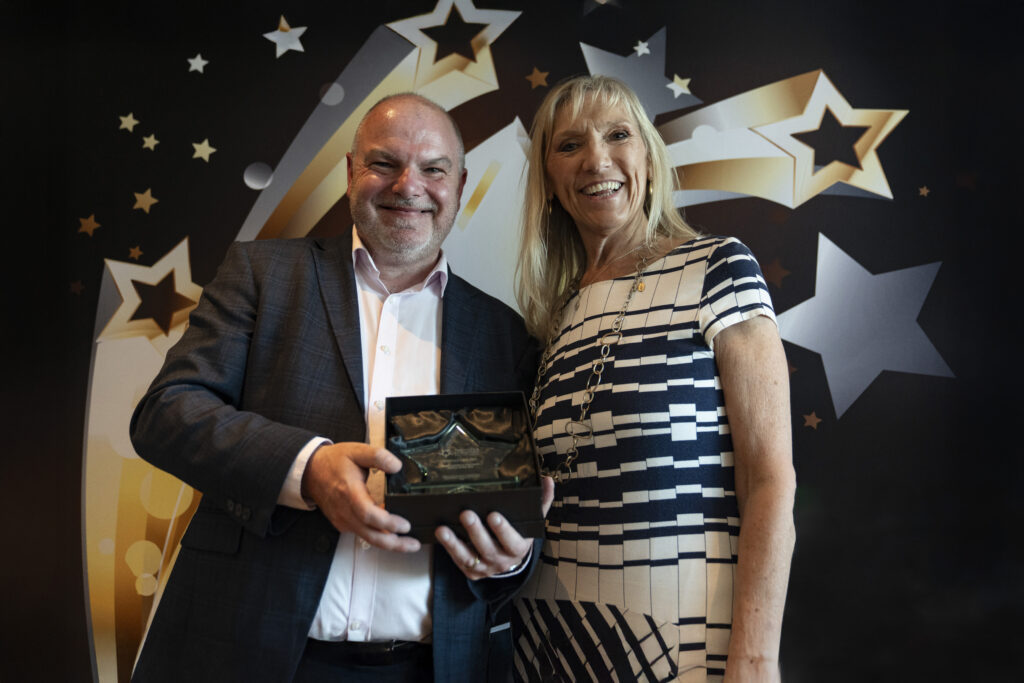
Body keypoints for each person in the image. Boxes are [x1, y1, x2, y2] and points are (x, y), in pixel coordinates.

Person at [129, 93, 552, 683]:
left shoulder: (505, 335)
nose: (409, 186)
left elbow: (515, 521)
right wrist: (308, 468)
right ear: (352, 172)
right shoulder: (263, 273)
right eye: (385, 163)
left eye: (433, 169)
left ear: (459, 183)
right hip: (247, 654)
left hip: (433, 669)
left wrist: (512, 559)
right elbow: (166, 413)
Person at [512, 75, 796, 682]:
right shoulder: (553, 315)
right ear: (550, 180)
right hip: (548, 643)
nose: (596, 159)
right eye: (569, 146)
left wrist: (754, 660)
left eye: (618, 135)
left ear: (647, 155)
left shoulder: (716, 268)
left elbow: (769, 479)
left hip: (682, 647)